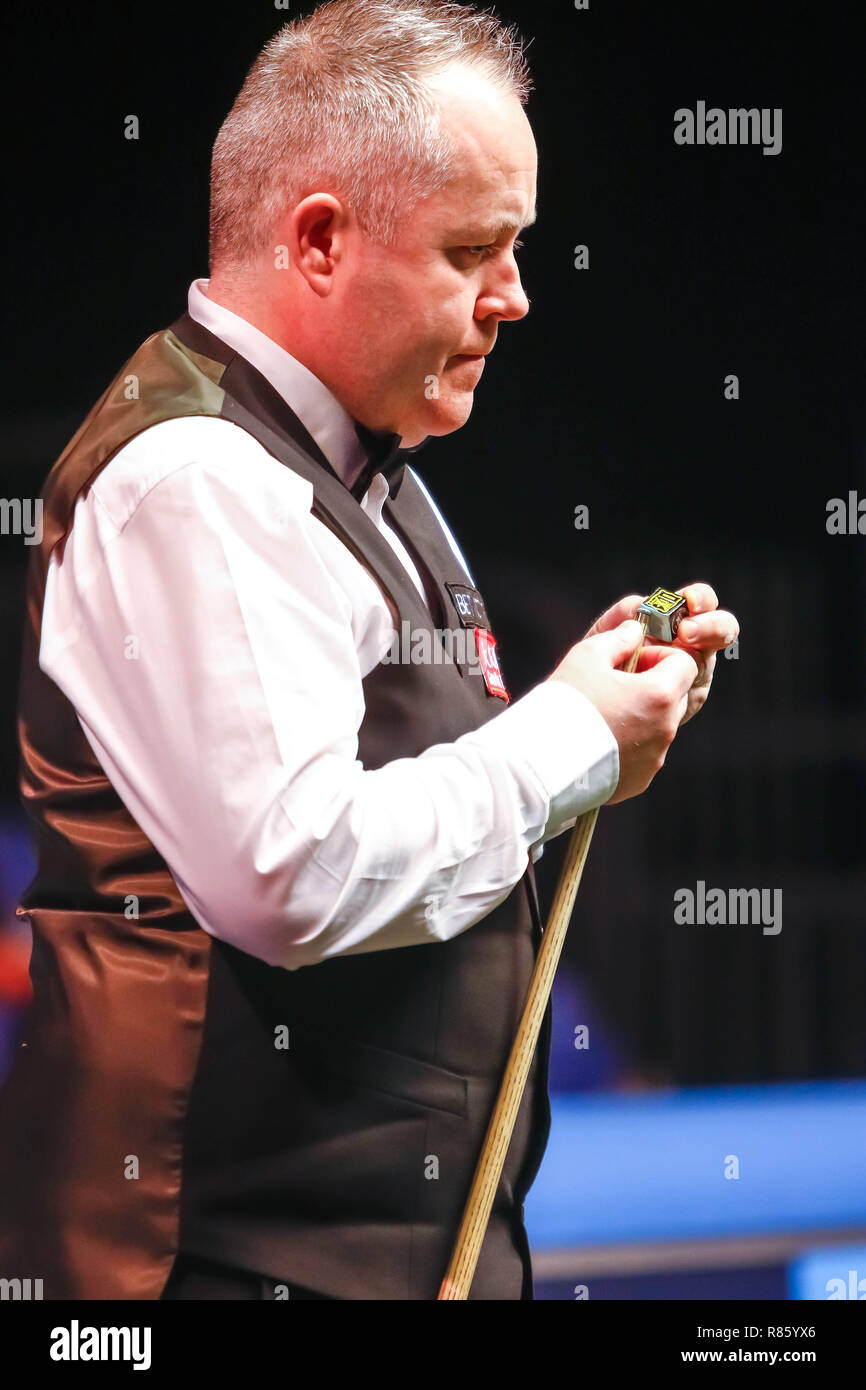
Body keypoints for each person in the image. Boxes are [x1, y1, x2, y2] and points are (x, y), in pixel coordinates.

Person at [0, 0, 737, 1301]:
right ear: (321, 240)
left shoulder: (360, 460)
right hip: (209, 1267)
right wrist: (569, 736)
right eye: (473, 249)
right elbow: (296, 874)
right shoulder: (196, 475)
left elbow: (431, 775)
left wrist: (597, 704)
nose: (513, 296)